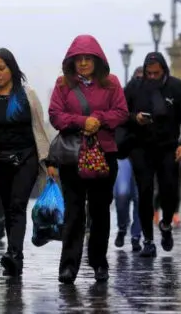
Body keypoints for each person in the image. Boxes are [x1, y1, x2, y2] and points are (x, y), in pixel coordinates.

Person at [48, 35, 128, 284]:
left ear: (97, 60)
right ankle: (69, 266)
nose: (83, 63)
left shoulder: (112, 84)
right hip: (73, 156)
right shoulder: (62, 85)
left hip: (104, 155)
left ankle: (99, 263)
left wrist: (99, 121)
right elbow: (55, 115)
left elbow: (122, 112)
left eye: (87, 59)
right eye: (78, 59)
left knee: (100, 210)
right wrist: (83, 122)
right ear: (71, 62)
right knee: (74, 211)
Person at [0, 48, 51, 276]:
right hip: (0, 160)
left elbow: (39, 127)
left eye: (1, 68)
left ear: (12, 69)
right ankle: (13, 252)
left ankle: (15, 254)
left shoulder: (27, 94)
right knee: (9, 208)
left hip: (27, 157)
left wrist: (47, 159)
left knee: (17, 204)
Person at [124, 52, 181, 258]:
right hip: (141, 148)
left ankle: (166, 224)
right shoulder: (135, 87)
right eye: (149, 73)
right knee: (144, 192)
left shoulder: (176, 87)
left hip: (168, 147)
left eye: (156, 73)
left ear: (164, 71)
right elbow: (119, 113)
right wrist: (135, 118)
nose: (152, 76)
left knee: (169, 190)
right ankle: (148, 240)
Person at [114, 66, 143, 252]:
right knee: (122, 194)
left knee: (141, 198)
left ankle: (136, 236)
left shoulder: (154, 100)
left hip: (143, 155)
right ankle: (122, 227)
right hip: (124, 153)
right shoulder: (122, 99)